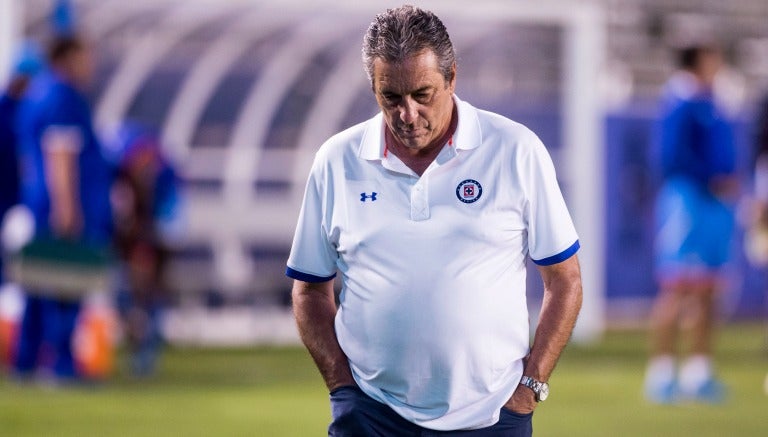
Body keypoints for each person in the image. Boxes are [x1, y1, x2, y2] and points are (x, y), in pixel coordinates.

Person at [286, 5, 583, 435]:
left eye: (422, 94)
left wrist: (530, 390)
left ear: (452, 77)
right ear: (373, 87)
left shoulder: (516, 150)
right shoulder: (337, 160)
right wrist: (341, 386)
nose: (407, 114)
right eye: (391, 97)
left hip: (492, 417)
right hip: (370, 415)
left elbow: (564, 279)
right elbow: (309, 289)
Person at [13, 34, 113, 382]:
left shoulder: (36, 94)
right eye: (86, 56)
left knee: (38, 282)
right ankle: (59, 365)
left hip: (39, 203)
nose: (91, 64)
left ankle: (26, 361)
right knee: (65, 285)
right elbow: (61, 154)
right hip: (62, 206)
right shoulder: (62, 96)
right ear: (68, 57)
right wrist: (67, 208)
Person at [644, 44, 739, 404]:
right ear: (698, 62)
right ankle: (661, 373)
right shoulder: (679, 103)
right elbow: (669, 157)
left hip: (714, 204)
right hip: (688, 201)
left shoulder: (711, 102)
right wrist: (710, 178)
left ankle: (698, 372)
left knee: (709, 287)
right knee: (678, 285)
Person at [110, 122, 182, 376]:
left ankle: (147, 350)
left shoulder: (165, 182)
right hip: (132, 242)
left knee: (150, 295)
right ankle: (139, 342)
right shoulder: (121, 177)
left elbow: (167, 226)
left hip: (153, 240)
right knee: (128, 294)